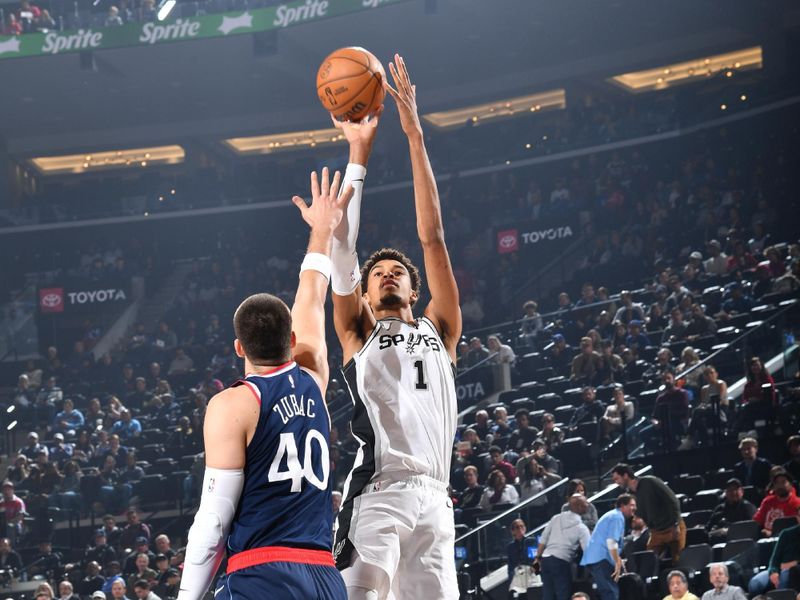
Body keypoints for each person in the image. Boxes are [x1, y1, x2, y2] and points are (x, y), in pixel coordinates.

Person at [177, 167, 353, 599]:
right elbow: (311, 292)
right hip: (324, 577)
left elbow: (215, 522)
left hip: (263, 575)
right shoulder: (314, 376)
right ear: (291, 341)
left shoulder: (232, 405)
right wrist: (323, 230)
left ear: (239, 348)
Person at [329, 55, 461, 600]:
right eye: (376, 274)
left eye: (396, 273)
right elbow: (341, 248)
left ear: (413, 291)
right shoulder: (358, 332)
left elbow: (432, 237)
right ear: (366, 293)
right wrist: (357, 155)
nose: (387, 275)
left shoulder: (441, 329)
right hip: (377, 494)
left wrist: (413, 135)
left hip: (437, 499)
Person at [611, 464, 685, 563]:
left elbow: (673, 501)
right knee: (649, 561)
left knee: (677, 560)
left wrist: (675, 524)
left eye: (617, 479)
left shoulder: (650, 481)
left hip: (672, 527)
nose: (616, 482)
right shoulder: (630, 496)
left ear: (625, 475)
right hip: (656, 532)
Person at [580, 494, 637, 600]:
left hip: (597, 559)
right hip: (601, 559)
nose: (635, 508)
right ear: (622, 506)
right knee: (610, 593)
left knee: (608, 591)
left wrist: (617, 559)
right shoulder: (617, 517)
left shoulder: (613, 515)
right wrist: (617, 561)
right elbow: (611, 541)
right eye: (632, 505)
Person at [534, 495, 591, 600]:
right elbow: (588, 551)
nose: (588, 505)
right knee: (563, 595)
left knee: (547, 596)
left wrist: (537, 558)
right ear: (579, 507)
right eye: (585, 503)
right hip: (561, 562)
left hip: (546, 560)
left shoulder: (556, 518)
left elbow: (543, 538)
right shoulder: (582, 528)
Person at [748, 503, 800, 593]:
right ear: (798, 518)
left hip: (794, 571)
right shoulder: (786, 534)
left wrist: (794, 563)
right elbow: (774, 560)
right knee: (755, 583)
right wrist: (773, 572)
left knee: (784, 577)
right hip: (780, 569)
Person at [753, 470, 800, 537]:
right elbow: (756, 521)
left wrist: (771, 533)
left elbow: (793, 527)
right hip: (765, 540)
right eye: (776, 483)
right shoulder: (767, 501)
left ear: (791, 484)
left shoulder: (797, 503)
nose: (780, 486)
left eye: (783, 482)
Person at [507, 519, 538, 593]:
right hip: (518, 575)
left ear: (525, 528)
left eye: (522, 526)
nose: (520, 529)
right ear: (512, 531)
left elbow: (537, 559)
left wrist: (535, 570)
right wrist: (511, 579)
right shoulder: (510, 547)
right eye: (517, 527)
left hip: (531, 572)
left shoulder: (531, 541)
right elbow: (510, 566)